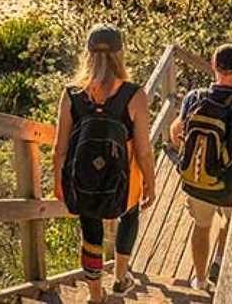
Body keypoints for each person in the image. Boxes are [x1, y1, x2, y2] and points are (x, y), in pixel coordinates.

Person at [54, 24, 157, 302]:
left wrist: (58, 183)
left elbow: (60, 149)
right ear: (120, 54)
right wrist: (151, 183)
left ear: (86, 55)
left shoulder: (72, 94)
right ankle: (121, 278)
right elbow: (144, 151)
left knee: (91, 233)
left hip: (84, 178)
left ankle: (95, 296)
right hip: (125, 181)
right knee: (130, 215)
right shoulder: (134, 95)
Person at [170, 44, 232, 291]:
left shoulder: (195, 98)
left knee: (201, 226)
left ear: (213, 65)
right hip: (230, 182)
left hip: (197, 178)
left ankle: (200, 280)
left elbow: (175, 132)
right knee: (230, 219)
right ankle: (221, 258)